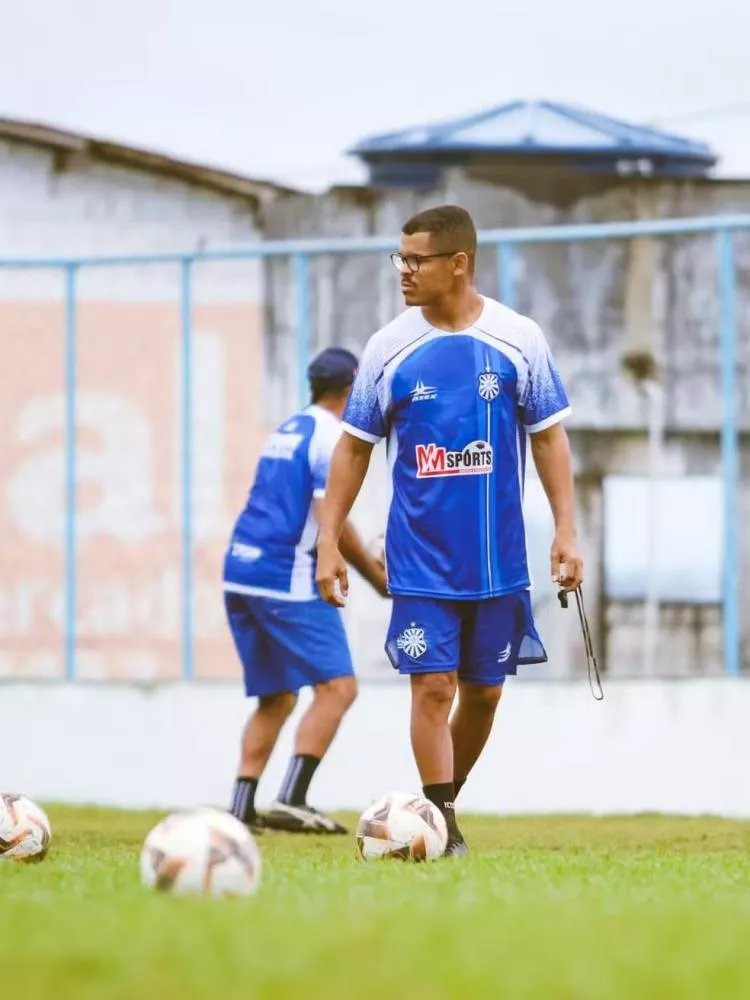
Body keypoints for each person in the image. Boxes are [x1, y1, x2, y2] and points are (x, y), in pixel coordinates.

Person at [316, 206, 583, 857]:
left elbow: (548, 438)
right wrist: (328, 541)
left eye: (417, 260)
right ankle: (443, 823)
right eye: (400, 258)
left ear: (459, 263)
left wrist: (566, 532)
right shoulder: (387, 348)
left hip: (497, 560)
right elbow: (353, 449)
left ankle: (438, 806)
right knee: (433, 686)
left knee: (484, 693)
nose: (403, 271)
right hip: (419, 560)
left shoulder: (519, 339)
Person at [223, 346, 388, 834]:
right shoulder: (333, 435)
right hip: (285, 577)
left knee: (277, 697)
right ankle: (292, 798)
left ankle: (240, 807)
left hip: (240, 571)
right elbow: (329, 521)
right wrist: (378, 579)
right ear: (352, 390)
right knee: (338, 687)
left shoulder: (290, 428)